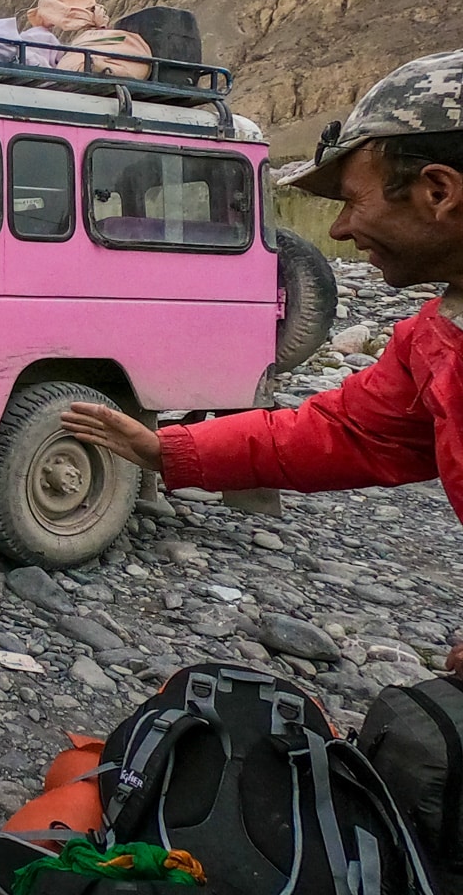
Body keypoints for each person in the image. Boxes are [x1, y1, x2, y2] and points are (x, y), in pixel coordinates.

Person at [60, 50, 463, 675]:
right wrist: (167, 450)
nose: (340, 232)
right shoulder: (435, 338)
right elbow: (347, 432)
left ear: (439, 191)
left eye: (353, 201)